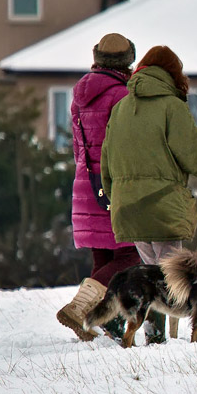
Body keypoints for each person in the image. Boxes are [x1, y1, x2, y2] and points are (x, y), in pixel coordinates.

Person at [101, 45, 197, 343]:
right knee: (169, 277)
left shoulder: (121, 108)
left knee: (152, 273)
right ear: (173, 74)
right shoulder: (172, 107)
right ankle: (159, 337)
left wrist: (115, 198)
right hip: (161, 204)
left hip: (128, 207)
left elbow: (106, 161)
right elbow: (194, 158)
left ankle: (154, 334)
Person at [57, 33, 142, 341]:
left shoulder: (80, 95)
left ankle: (108, 322)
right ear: (127, 61)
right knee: (132, 254)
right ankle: (82, 309)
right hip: (113, 183)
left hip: (84, 184)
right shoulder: (121, 95)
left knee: (104, 257)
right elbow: (127, 147)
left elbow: (80, 150)